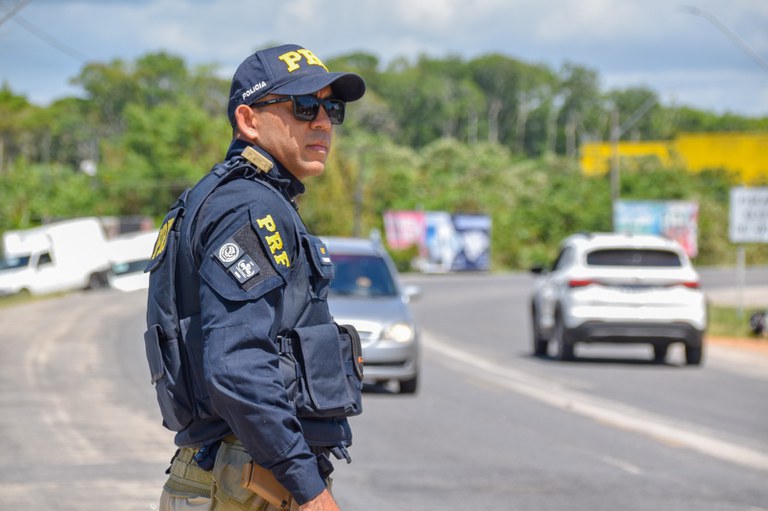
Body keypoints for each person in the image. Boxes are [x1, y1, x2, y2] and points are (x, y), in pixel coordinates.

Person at [143, 44, 366, 511]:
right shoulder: (250, 207)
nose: (323, 121)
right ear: (248, 121)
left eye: (332, 108)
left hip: (231, 472)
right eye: (304, 106)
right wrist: (308, 489)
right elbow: (238, 364)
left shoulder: (226, 198)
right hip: (246, 481)